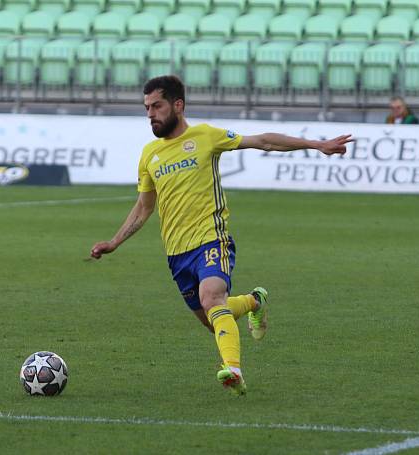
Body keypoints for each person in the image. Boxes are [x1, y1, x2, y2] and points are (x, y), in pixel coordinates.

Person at [90, 75, 353, 395]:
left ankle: (233, 370)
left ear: (178, 105)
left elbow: (264, 141)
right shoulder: (149, 155)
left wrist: (317, 145)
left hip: (212, 240)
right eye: (146, 108)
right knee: (214, 318)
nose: (150, 114)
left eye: (156, 106)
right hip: (177, 254)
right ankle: (255, 302)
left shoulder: (206, 136)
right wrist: (115, 241)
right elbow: (144, 207)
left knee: (212, 297)